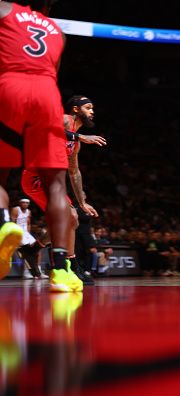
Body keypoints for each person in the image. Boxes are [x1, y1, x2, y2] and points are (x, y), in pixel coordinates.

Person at [0, 0, 81, 291]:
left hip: (10, 85)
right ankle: (60, 269)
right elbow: (53, 70)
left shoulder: (6, 10)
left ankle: (2, 226)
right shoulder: (59, 31)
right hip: (48, 95)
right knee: (56, 186)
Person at [21, 94, 104, 286]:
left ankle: (33, 250)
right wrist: (79, 136)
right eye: (88, 108)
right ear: (76, 109)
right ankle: (69, 265)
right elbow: (47, 126)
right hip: (35, 177)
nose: (92, 112)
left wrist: (82, 201)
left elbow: (74, 172)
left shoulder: (76, 143)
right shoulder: (65, 119)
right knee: (69, 217)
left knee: (71, 219)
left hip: (52, 180)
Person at [11, 198, 48, 279]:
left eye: (26, 203)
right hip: (17, 233)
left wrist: (28, 233)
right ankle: (27, 272)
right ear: (20, 203)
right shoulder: (16, 210)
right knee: (26, 252)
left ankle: (39, 270)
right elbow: (11, 223)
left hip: (26, 234)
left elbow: (28, 224)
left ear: (28, 204)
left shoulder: (28, 211)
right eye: (23, 202)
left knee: (38, 249)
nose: (25, 204)